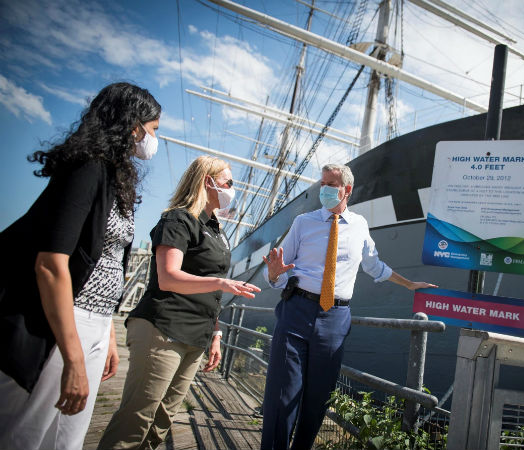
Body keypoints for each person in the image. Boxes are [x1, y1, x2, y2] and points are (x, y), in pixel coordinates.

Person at [0, 82, 161, 450]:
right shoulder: (88, 168)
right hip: (61, 322)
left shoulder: (118, 179)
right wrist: (72, 356)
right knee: (26, 436)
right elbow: (51, 264)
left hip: (95, 323)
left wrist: (106, 336)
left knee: (66, 441)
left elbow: (107, 264)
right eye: (153, 130)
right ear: (132, 125)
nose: (153, 140)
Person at [260, 163, 437, 450]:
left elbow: (374, 265)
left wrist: (409, 284)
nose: (325, 189)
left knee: (319, 398)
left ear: (347, 189)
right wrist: (273, 273)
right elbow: (279, 269)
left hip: (335, 318)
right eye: (323, 183)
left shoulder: (359, 226)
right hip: (296, 311)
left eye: (332, 184)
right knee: (282, 394)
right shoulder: (303, 223)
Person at [97, 155, 261, 450]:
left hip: (196, 336)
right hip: (164, 329)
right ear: (207, 182)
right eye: (229, 182)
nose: (232, 188)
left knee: (162, 420)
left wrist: (216, 334)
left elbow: (210, 290)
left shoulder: (216, 230)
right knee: (136, 419)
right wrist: (222, 283)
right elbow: (169, 278)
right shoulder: (178, 219)